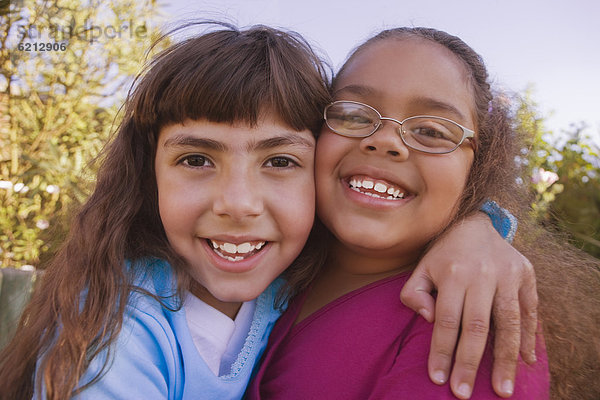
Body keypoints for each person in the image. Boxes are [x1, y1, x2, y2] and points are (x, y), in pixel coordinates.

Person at [0, 23, 538, 400]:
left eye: (280, 160)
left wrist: (484, 224)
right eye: (195, 159)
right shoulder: (123, 335)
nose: (237, 203)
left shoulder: (467, 316)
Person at [247, 27, 600, 399]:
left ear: (477, 168)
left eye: (431, 131)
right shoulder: (258, 256)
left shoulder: (471, 322)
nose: (384, 140)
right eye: (352, 115)